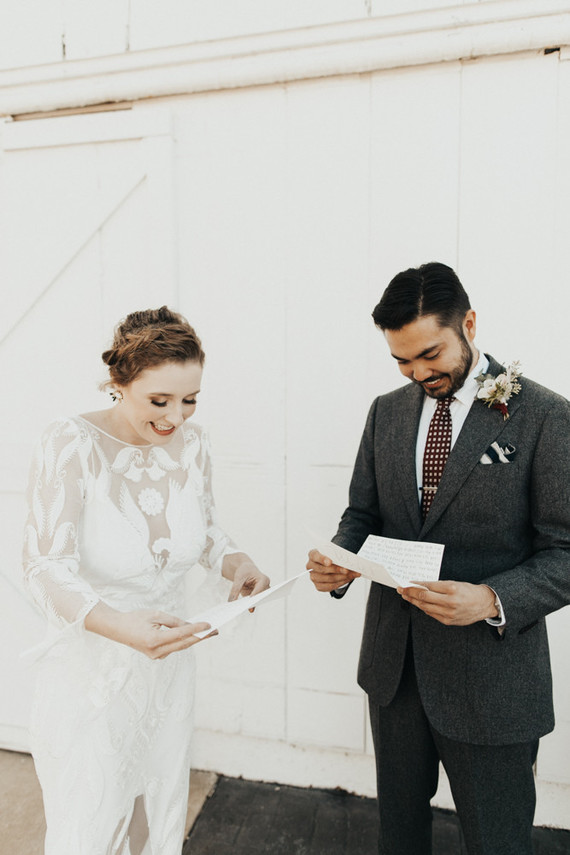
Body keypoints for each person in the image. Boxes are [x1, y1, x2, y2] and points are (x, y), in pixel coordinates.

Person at [307, 262, 570, 855]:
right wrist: (339, 560)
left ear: (469, 324)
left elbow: (565, 550)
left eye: (430, 354)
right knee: (398, 836)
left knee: (498, 842)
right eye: (402, 360)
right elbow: (362, 515)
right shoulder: (386, 411)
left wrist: (493, 599)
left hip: (493, 680)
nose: (418, 373)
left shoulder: (546, 415)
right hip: (393, 671)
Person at [23, 306, 269, 855]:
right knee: (90, 823)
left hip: (168, 671)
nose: (175, 418)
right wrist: (122, 628)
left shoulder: (194, 444)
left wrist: (239, 565)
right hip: (94, 674)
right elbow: (43, 566)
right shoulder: (70, 443)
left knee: (157, 817)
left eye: (190, 400)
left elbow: (205, 532)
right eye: (159, 401)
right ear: (118, 383)